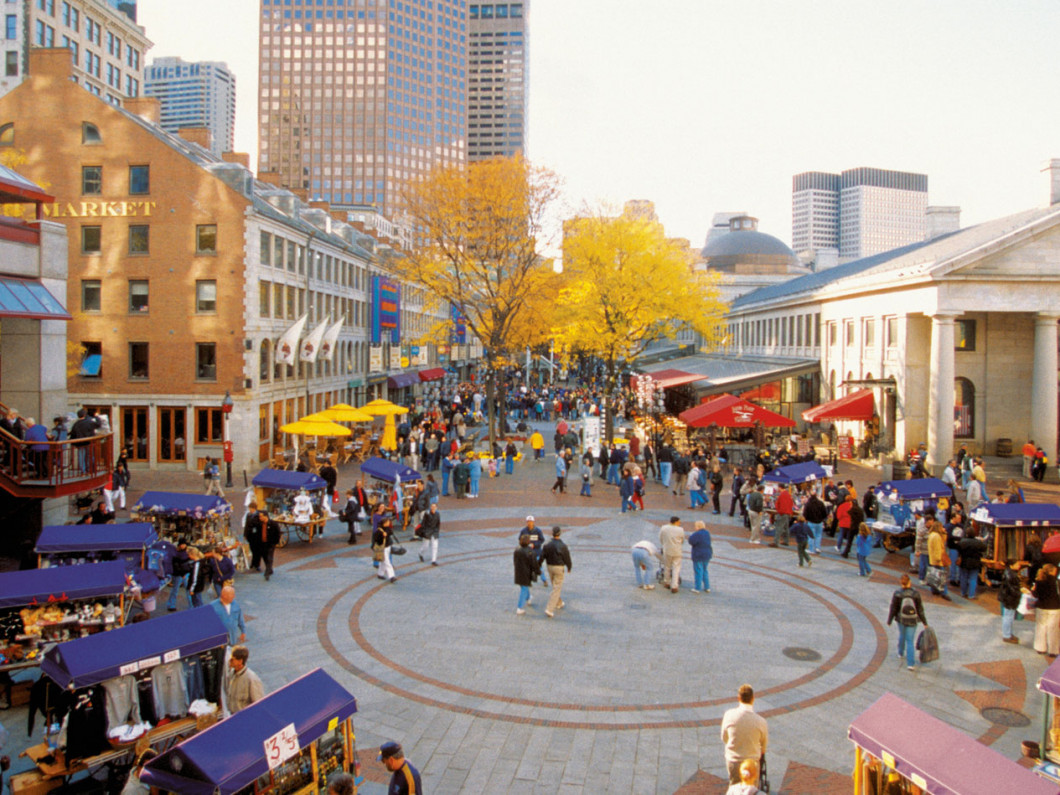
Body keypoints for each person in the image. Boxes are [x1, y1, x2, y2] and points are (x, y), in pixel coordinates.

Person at [720, 684, 768, 785]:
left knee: (734, 787)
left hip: (734, 761)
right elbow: (763, 747)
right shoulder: (761, 721)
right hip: (752, 763)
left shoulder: (729, 715)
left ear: (739, 698)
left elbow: (724, 738)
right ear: (753, 699)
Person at [887, 574, 927, 670]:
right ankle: (910, 664)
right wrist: (925, 622)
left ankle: (900, 652)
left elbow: (893, 608)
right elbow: (920, 609)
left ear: (901, 583)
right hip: (912, 620)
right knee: (910, 641)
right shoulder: (915, 594)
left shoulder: (897, 593)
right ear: (910, 582)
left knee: (902, 635)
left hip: (901, 619)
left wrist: (890, 620)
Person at [541, 526, 571, 618]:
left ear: (552, 533)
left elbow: (542, 556)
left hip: (550, 566)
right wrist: (569, 567)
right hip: (559, 567)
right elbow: (567, 558)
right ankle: (549, 609)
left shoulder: (547, 545)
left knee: (555, 586)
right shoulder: (563, 546)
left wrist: (538, 565)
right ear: (560, 533)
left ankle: (559, 602)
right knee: (557, 587)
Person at [225, 645, 264, 714]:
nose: (229, 661)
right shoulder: (231, 674)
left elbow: (258, 703)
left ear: (240, 661)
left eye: (232, 659)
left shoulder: (251, 679)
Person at [1033, 563, 1060, 657]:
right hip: (1054, 607)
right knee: (1053, 629)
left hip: (1042, 606)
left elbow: (1035, 594)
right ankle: (1053, 650)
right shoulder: (1056, 581)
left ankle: (1040, 648)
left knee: (1041, 627)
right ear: (1052, 571)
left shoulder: (1039, 580)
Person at [956, 526, 987, 599]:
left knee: (963, 577)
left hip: (964, 561)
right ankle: (971, 594)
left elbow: (958, 549)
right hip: (975, 562)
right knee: (973, 578)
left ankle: (963, 593)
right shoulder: (978, 542)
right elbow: (984, 548)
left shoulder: (962, 542)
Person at [998, 560, 1023, 644]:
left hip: (1008, 597)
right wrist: (1020, 592)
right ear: (1011, 565)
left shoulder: (1009, 573)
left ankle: (1008, 633)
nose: (1019, 565)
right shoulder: (1011, 575)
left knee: (1009, 616)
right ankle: (1007, 635)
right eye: (1017, 564)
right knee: (1008, 616)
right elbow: (1012, 588)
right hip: (1009, 598)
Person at [252, 509, 282, 581]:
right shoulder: (260, 524)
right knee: (265, 557)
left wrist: (275, 542)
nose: (260, 518)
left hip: (270, 544)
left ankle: (267, 573)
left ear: (266, 516)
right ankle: (270, 569)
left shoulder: (273, 524)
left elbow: (278, 533)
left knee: (269, 558)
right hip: (262, 544)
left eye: (261, 516)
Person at [659, 516, 685, 594]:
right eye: (679, 522)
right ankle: (674, 586)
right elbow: (682, 540)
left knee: (667, 566)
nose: (680, 523)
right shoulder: (680, 530)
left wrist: (664, 545)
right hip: (677, 550)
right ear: (676, 522)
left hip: (667, 550)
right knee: (676, 568)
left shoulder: (664, 528)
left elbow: (660, 538)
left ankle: (667, 582)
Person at [513, 534, 538, 615]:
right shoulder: (530, 551)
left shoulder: (517, 550)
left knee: (524, 586)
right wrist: (538, 571)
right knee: (524, 588)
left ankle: (528, 598)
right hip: (526, 572)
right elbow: (534, 564)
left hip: (518, 571)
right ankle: (519, 607)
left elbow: (514, 561)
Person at [519, 516, 548, 587]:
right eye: (528, 522)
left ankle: (544, 580)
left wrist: (534, 545)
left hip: (536, 552)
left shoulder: (538, 531)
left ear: (533, 522)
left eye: (531, 522)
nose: (530, 523)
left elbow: (542, 540)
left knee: (539, 567)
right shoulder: (523, 531)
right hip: (527, 552)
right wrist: (525, 545)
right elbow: (520, 539)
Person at [688, 520, 713, 593]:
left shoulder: (697, 534)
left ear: (698, 526)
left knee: (698, 571)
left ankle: (697, 588)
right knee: (705, 570)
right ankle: (707, 587)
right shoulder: (707, 533)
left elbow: (691, 541)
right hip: (707, 554)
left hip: (698, 554)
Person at [374, 517, 397, 583]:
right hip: (383, 548)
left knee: (383, 561)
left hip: (387, 546)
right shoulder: (379, 531)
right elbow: (376, 539)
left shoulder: (387, 528)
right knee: (387, 561)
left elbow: (390, 532)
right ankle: (391, 576)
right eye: (387, 522)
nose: (389, 523)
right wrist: (382, 535)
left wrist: (386, 533)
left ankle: (380, 573)